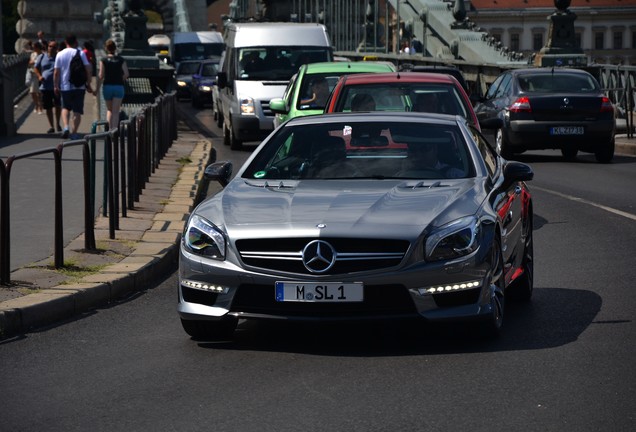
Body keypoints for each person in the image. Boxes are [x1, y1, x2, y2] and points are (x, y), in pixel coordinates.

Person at [54, 34, 93, 139]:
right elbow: (88, 69)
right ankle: (74, 133)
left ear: (65, 42)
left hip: (65, 86)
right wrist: (88, 83)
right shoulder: (80, 53)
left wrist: (55, 85)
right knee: (77, 110)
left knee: (65, 107)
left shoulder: (60, 54)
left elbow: (56, 72)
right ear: (75, 42)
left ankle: (66, 127)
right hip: (79, 86)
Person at [98, 39, 129, 131]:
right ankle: (114, 131)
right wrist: (120, 78)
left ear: (106, 49)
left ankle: (108, 130)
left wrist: (96, 89)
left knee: (109, 110)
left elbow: (101, 75)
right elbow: (126, 74)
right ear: (115, 48)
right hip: (118, 87)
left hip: (107, 86)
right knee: (116, 112)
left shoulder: (103, 60)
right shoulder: (121, 60)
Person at [33, 40, 62, 133]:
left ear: (57, 48)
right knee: (48, 107)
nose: (51, 48)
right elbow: (36, 68)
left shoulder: (59, 57)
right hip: (45, 86)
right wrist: (39, 76)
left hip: (57, 85)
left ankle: (58, 124)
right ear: (47, 47)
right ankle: (51, 126)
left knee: (58, 105)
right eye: (50, 46)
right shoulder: (42, 56)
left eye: (53, 47)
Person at [28, 41, 44, 114]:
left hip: (40, 74)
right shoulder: (33, 54)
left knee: (39, 92)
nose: (33, 48)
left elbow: (40, 63)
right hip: (33, 74)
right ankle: (36, 105)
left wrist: (33, 62)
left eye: (34, 47)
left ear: (37, 47)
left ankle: (40, 107)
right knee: (32, 92)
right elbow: (30, 62)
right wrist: (33, 62)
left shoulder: (43, 54)